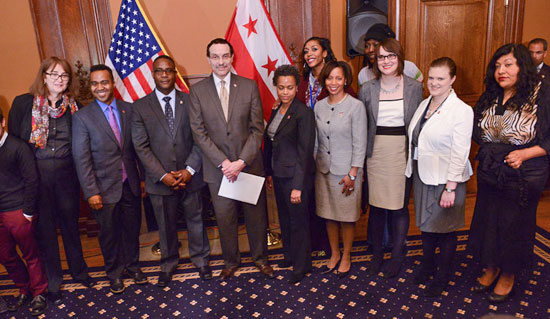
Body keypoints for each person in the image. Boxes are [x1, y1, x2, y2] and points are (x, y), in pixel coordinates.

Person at [8, 57, 94, 305]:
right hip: (36, 178)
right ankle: (53, 281)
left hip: (67, 176)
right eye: (54, 74)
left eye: (64, 75)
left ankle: (79, 271)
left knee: (70, 226)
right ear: (43, 76)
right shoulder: (24, 104)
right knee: (45, 232)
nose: (59, 79)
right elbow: (14, 144)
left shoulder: (75, 106)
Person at [469, 43, 550, 303]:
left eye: (508, 65)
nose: (501, 71)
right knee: (489, 220)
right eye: (497, 65)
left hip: (524, 173)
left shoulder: (542, 93)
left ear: (522, 67)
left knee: (513, 224)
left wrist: (526, 153)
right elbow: (476, 130)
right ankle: (491, 266)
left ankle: (509, 273)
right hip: (491, 170)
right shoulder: (492, 94)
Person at [189, 38, 274, 280]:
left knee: (256, 218)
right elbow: (198, 132)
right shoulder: (197, 91)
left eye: (225, 56)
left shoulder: (248, 86)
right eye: (215, 57)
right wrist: (225, 164)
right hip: (219, 171)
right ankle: (230, 261)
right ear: (208, 60)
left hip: (248, 165)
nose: (221, 61)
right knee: (225, 219)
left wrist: (241, 162)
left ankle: (260, 259)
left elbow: (257, 129)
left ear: (232, 57)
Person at [132, 55, 211, 286]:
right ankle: (168, 263)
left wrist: (189, 169)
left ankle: (201, 261)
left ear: (175, 74)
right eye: (160, 71)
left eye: (169, 70)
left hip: (190, 176)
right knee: (165, 225)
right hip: (160, 180)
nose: (164, 74)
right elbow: (141, 146)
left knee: (196, 220)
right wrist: (163, 175)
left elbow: (200, 139)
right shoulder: (140, 107)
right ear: (153, 74)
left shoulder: (190, 102)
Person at [72, 64, 148, 293]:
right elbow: (81, 158)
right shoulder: (82, 117)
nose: (100, 87)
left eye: (104, 82)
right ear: (91, 87)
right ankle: (114, 272)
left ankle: (133, 266)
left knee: (132, 228)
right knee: (109, 233)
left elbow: (139, 148)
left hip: (130, 183)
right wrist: (91, 191)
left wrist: (142, 179)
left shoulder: (129, 109)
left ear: (113, 84)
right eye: (94, 84)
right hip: (102, 188)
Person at [404, 57, 474, 296]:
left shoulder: (462, 111)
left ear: (452, 79)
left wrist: (451, 187)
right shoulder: (425, 104)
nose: (434, 83)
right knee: (427, 226)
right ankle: (427, 265)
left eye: (440, 78)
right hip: (424, 176)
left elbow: (460, 151)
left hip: (446, 180)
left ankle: (443, 275)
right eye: (431, 77)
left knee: (445, 230)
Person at [359, 38, 423, 278]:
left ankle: (397, 254)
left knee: (398, 207)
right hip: (375, 153)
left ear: (400, 58)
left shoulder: (414, 87)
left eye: (391, 56)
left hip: (401, 152)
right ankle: (377, 254)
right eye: (381, 56)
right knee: (376, 207)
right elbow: (364, 126)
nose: (386, 61)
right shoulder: (367, 89)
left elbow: (417, 126)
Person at [314, 61, 367, 279]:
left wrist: (353, 174)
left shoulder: (356, 106)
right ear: (324, 80)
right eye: (329, 78)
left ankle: (346, 256)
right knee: (329, 216)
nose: (333, 83)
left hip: (346, 172)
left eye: (338, 78)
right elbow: (316, 140)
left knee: (346, 217)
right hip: (323, 171)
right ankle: (334, 254)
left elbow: (360, 143)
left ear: (346, 80)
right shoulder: (319, 106)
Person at [264, 65, 315, 284]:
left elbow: (304, 152)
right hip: (279, 174)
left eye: (290, 88)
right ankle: (289, 257)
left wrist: (298, 186)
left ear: (297, 88)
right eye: (281, 87)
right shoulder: (277, 109)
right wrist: (269, 173)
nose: (285, 92)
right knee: (284, 220)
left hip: (296, 177)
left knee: (298, 223)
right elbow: (271, 142)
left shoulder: (303, 113)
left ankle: (302, 267)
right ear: (276, 87)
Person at [0, 108, 48, 316]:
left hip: (18, 210)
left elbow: (32, 180)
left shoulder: (18, 147)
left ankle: (39, 293)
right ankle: (24, 289)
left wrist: (28, 212)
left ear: (2, 122)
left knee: (31, 254)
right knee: (6, 256)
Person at [296, 37, 357, 110]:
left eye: (314, 49)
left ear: (324, 53)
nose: (309, 54)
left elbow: (352, 104)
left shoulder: (336, 78)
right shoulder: (301, 81)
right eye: (306, 51)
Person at [358, 23, 423, 87]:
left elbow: (420, 93)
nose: (370, 50)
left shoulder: (409, 69)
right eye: (367, 46)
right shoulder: (363, 75)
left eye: (376, 45)